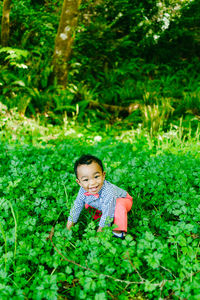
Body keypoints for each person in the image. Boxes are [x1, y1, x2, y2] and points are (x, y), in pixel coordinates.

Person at [66, 154, 133, 239]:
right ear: (79, 182)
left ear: (103, 175)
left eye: (96, 177)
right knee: (87, 205)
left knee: (118, 205)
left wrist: (99, 234)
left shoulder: (108, 191)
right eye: (86, 180)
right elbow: (77, 206)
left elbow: (107, 214)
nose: (92, 183)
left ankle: (118, 232)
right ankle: (102, 220)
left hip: (123, 200)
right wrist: (68, 229)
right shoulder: (83, 190)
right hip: (102, 203)